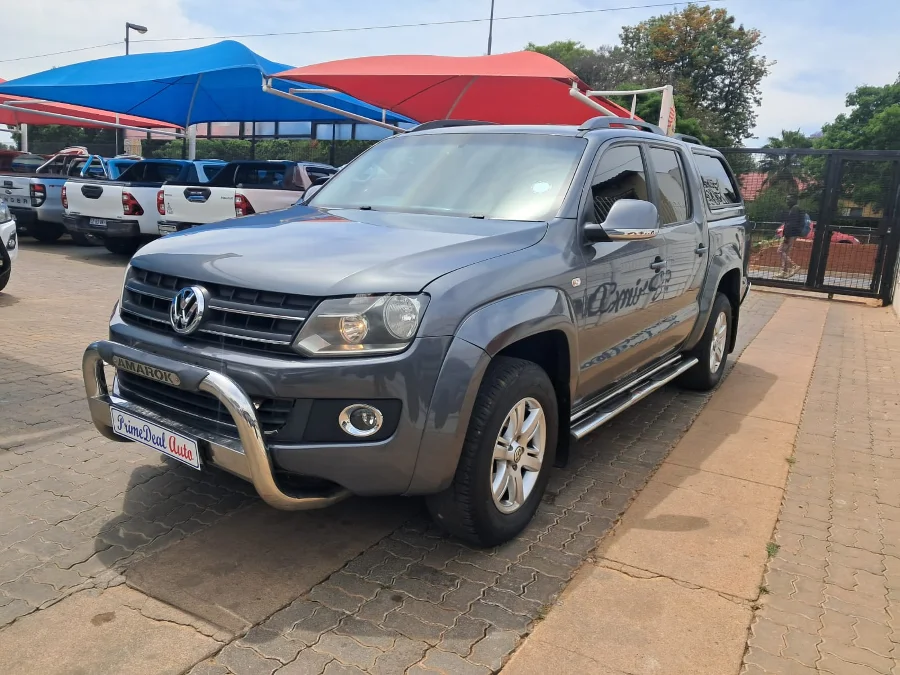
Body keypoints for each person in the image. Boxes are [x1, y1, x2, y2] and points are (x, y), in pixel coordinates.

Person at [779, 196, 805, 278]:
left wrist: (786, 235)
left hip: (790, 234)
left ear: (794, 200)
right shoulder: (796, 209)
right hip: (793, 234)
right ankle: (784, 272)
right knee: (785, 253)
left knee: (780, 251)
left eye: (788, 199)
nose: (787, 201)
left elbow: (791, 224)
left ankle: (794, 266)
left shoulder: (794, 209)